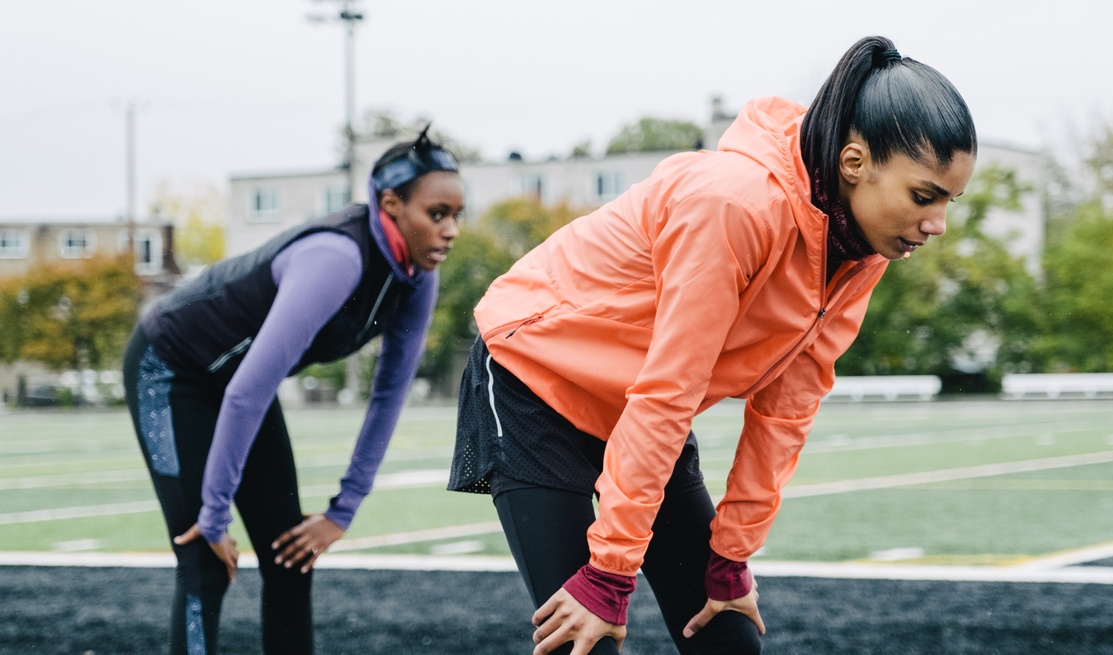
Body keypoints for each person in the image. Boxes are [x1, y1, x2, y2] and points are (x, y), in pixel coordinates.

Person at [449, 35, 977, 655]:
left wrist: (731, 557)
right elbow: (669, 391)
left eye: (949, 201)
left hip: (638, 403)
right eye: (924, 196)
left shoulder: (860, 249)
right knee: (580, 642)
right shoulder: (733, 204)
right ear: (854, 163)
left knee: (726, 638)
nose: (938, 224)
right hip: (536, 378)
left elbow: (787, 409)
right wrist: (609, 573)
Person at [123, 127, 464, 655]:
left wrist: (342, 512)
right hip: (170, 367)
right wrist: (213, 516)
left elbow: (388, 395)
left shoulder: (418, 275)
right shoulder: (337, 258)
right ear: (390, 205)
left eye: (457, 215)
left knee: (291, 558)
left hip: (239, 385)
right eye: (437, 214)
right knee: (203, 562)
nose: (451, 231)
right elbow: (245, 394)